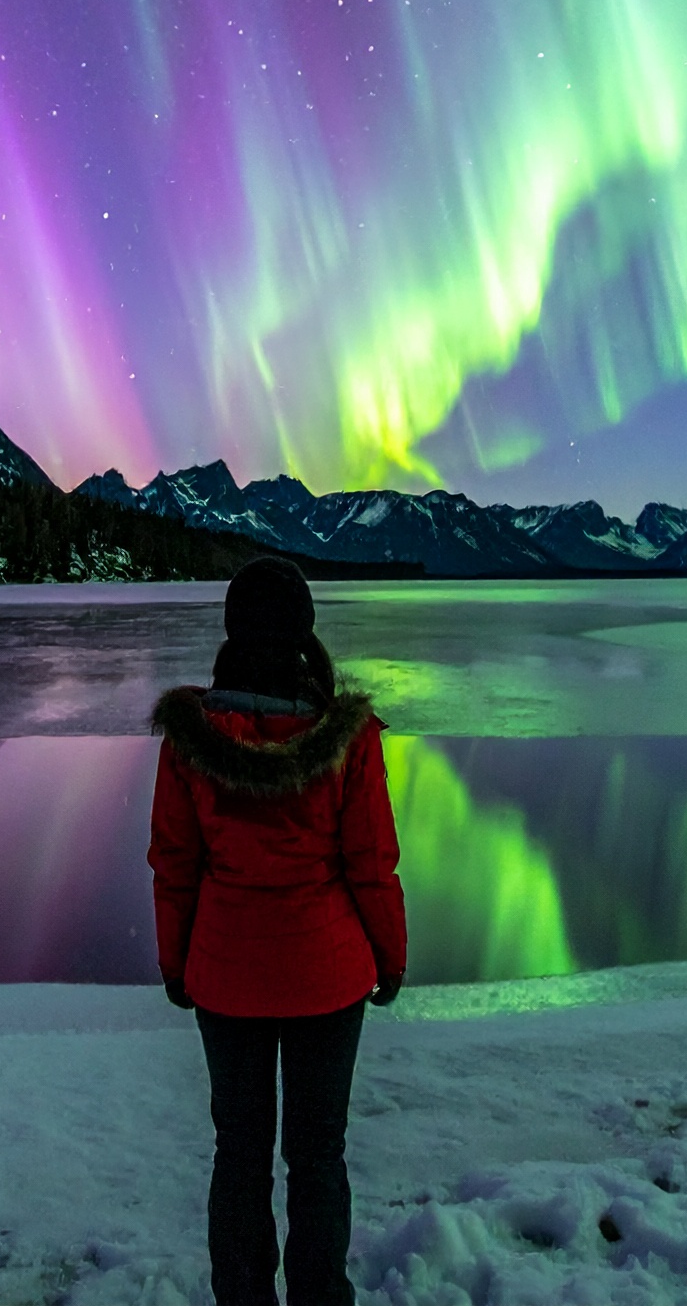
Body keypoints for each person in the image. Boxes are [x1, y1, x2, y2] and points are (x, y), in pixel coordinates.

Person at [149, 557, 406, 1306]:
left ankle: (243, 1298)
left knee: (240, 1153)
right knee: (319, 1156)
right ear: (305, 634)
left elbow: (174, 862)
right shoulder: (345, 737)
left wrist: (177, 964)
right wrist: (390, 959)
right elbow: (371, 865)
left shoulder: (191, 740)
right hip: (328, 977)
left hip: (225, 977)